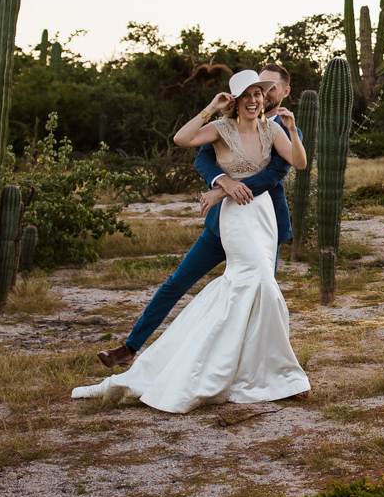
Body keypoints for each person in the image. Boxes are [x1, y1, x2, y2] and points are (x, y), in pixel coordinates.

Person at [70, 69, 309, 413]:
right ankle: (143, 349)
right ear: (239, 99)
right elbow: (192, 149)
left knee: (259, 292)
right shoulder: (224, 127)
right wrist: (221, 181)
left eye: (265, 90)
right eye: (253, 92)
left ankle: (268, 372)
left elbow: (281, 171)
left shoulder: (278, 127)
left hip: (264, 220)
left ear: (283, 91)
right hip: (230, 220)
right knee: (223, 286)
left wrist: (286, 133)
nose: (260, 96)